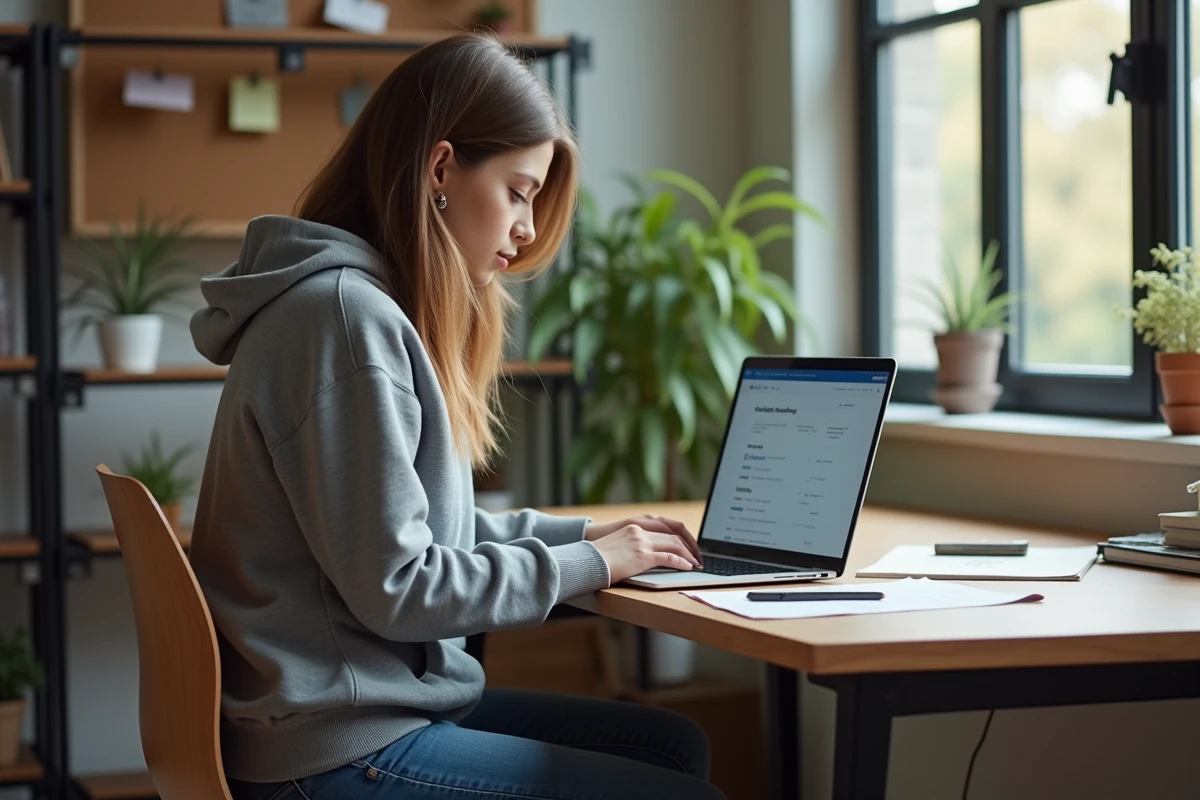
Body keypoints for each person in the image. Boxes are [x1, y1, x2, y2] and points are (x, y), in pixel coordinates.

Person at [187, 33, 726, 800]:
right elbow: (404, 587)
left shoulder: (348, 308)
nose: (529, 229)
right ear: (440, 169)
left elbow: (420, 537)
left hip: (356, 710)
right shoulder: (344, 322)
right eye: (518, 190)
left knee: (669, 745)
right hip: (335, 745)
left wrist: (591, 539)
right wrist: (595, 566)